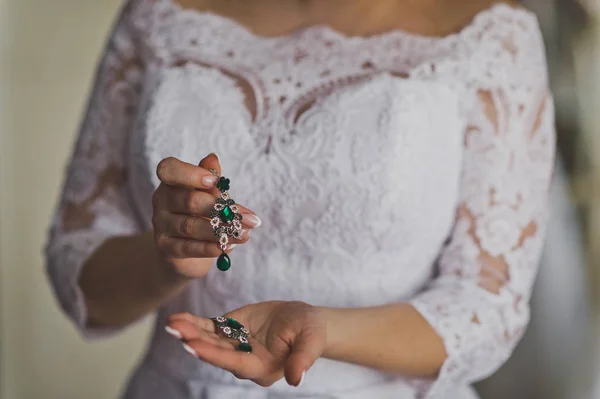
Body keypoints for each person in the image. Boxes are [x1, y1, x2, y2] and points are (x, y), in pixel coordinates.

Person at [44, 0, 556, 398]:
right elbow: (79, 268)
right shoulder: (159, 19)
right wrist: (171, 257)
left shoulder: (489, 36)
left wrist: (318, 330)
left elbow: (487, 306)